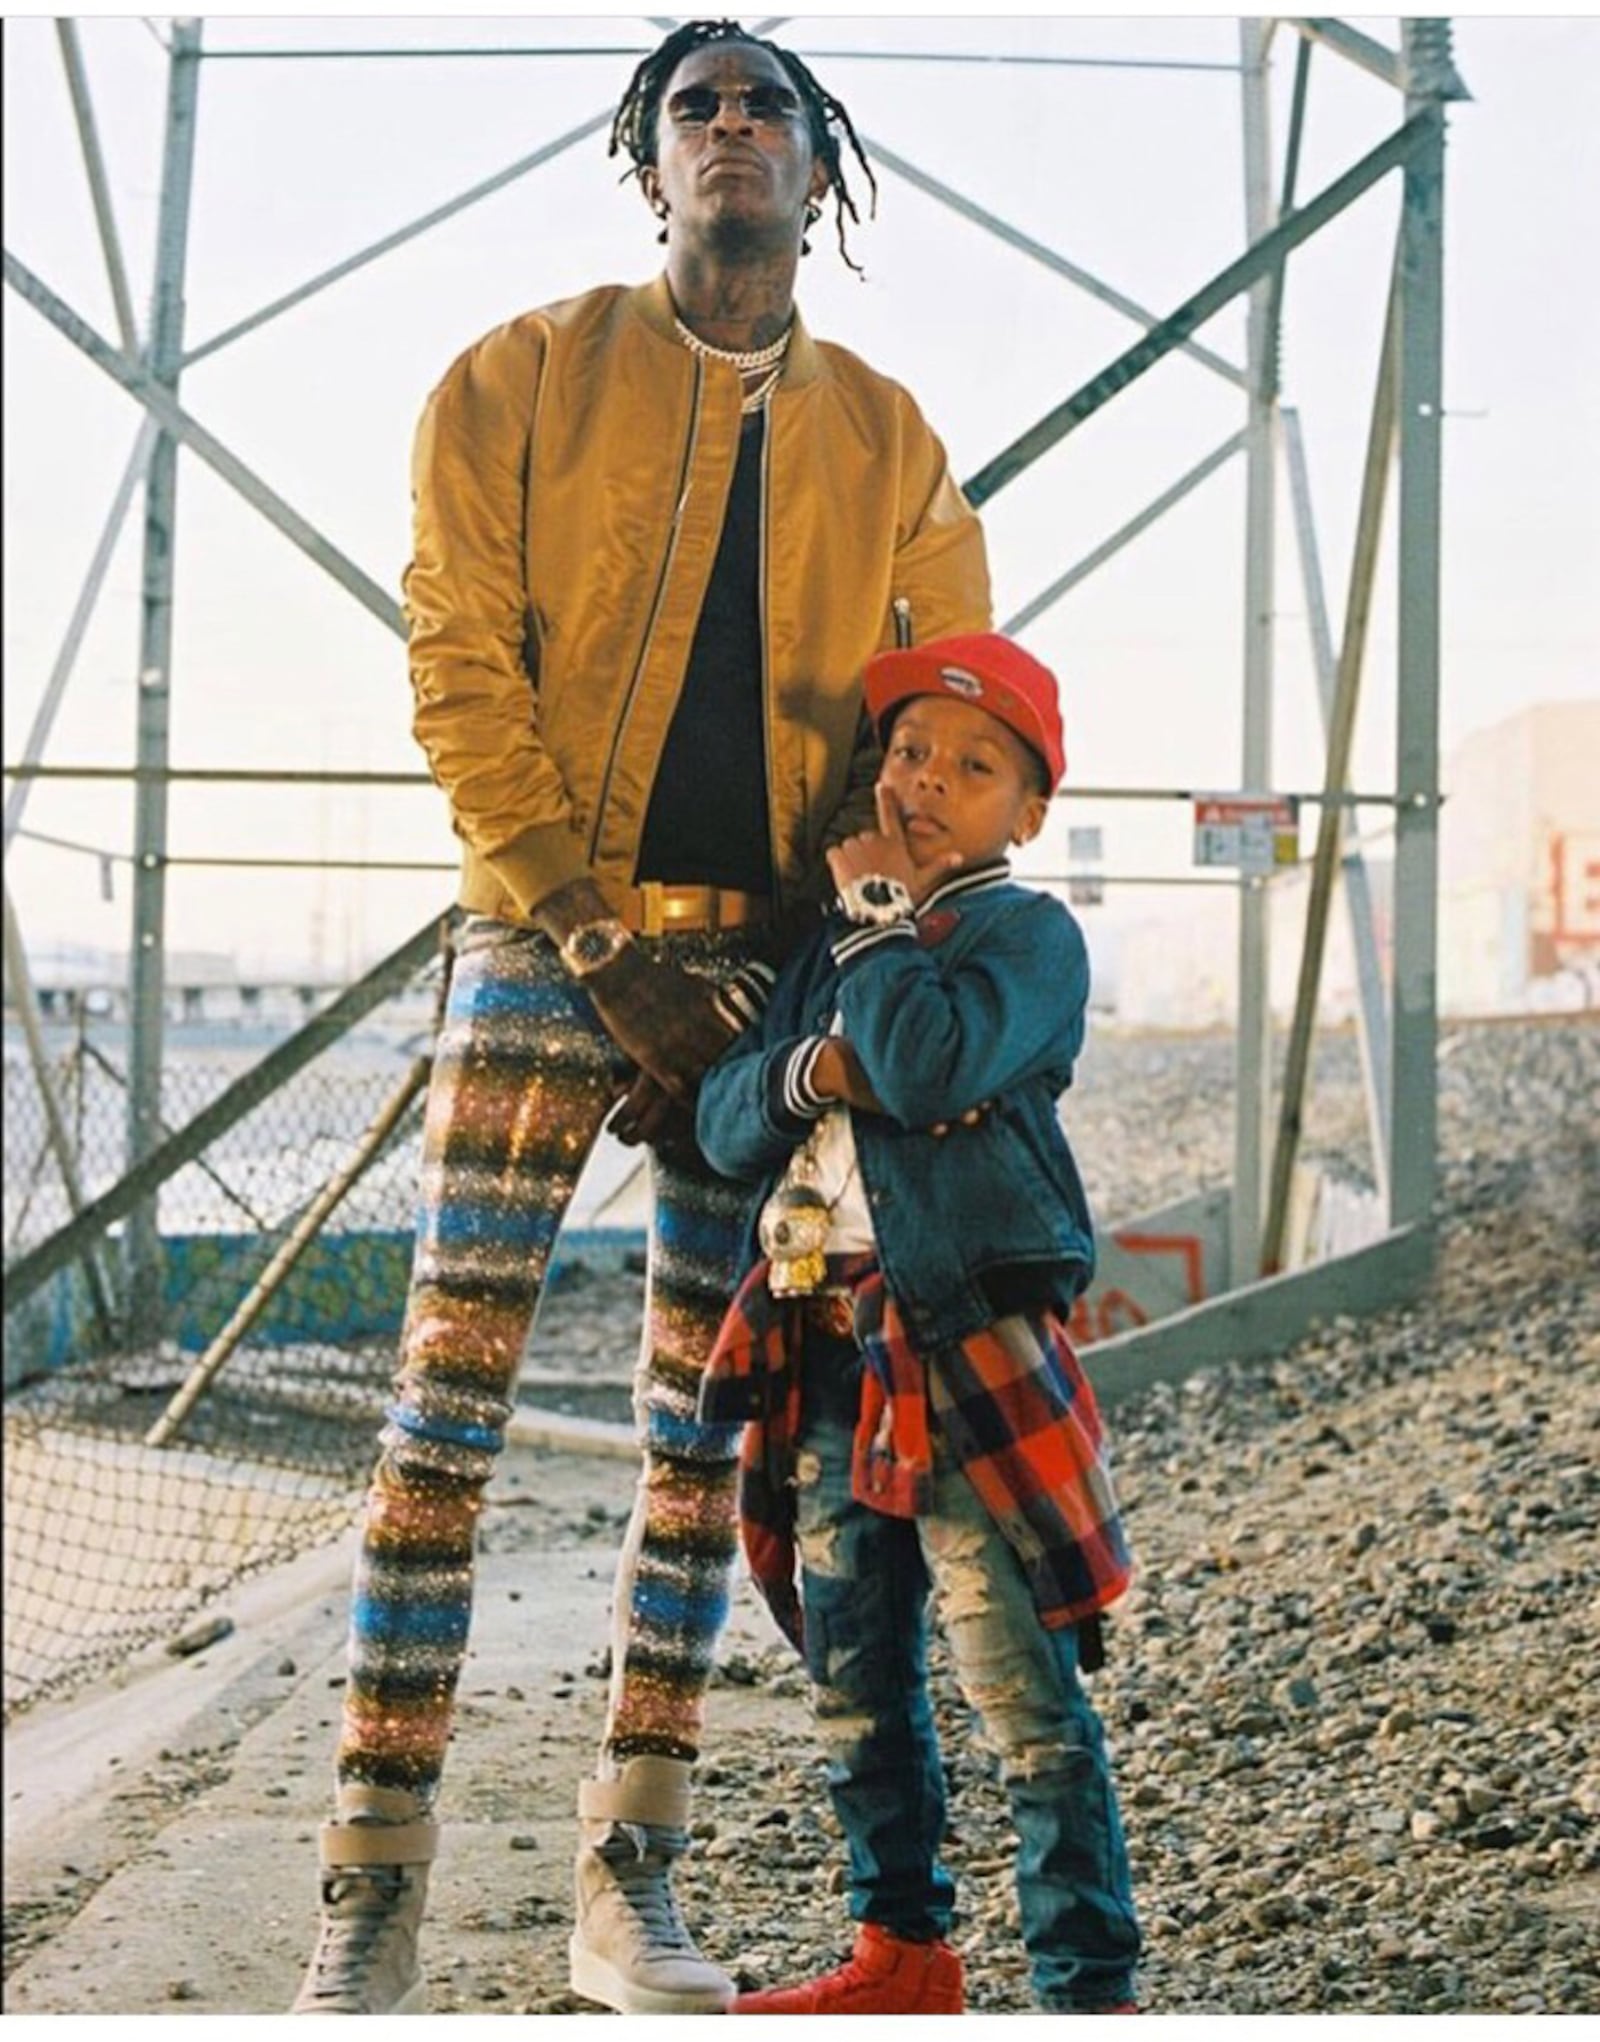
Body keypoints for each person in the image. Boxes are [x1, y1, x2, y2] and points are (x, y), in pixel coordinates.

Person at [289, 17, 991, 2021]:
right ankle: (372, 1888)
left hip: (767, 979)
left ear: (820, 166)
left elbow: (936, 730)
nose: (734, 127)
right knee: (445, 1406)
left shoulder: (890, 439)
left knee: (702, 1429)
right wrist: (599, 942)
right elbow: (459, 671)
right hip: (545, 935)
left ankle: (629, 1882)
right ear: (646, 160)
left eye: (771, 104)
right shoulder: (515, 378)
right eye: (697, 106)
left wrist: (829, 952)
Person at [696, 631, 1142, 2015]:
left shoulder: (1031, 939)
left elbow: (931, 1062)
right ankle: (903, 1953)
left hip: (963, 1346)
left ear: (1030, 812)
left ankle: (1087, 1986)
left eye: (974, 765)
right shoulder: (833, 947)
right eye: (907, 753)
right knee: (857, 1673)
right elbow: (724, 1118)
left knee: (1020, 1691)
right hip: (829, 1339)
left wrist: (881, 929)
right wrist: (815, 1065)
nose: (929, 780)